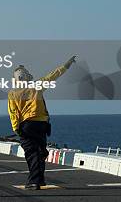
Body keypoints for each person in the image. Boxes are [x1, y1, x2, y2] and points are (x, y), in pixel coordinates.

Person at [7, 55, 76, 190]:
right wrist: (66, 65)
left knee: (31, 153)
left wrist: (16, 129)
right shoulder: (36, 87)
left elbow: (13, 113)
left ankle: (34, 181)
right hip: (41, 125)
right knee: (40, 152)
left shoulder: (13, 94)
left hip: (26, 126)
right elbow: (52, 76)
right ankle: (39, 180)